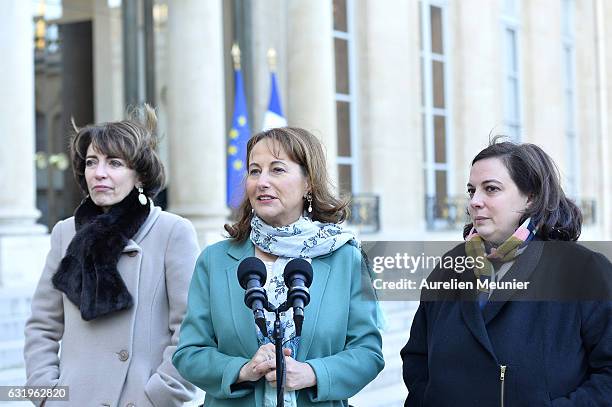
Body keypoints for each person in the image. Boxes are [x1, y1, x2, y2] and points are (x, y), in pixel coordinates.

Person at [173, 127, 384, 406]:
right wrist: (243, 370)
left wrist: (311, 373)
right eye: (254, 171)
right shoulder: (215, 260)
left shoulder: (346, 258)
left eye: (277, 170)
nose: (262, 182)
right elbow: (189, 352)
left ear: (308, 182)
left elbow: (368, 352)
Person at [401, 138, 612, 406]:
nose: (475, 201)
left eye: (491, 189)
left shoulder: (584, 271)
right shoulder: (449, 267)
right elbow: (417, 358)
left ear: (530, 197)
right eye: (471, 191)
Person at [24, 105, 198, 406]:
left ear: (140, 176)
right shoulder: (66, 232)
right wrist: (46, 396)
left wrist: (159, 395)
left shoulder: (172, 232)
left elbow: (191, 329)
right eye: (92, 162)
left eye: (114, 163)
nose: (99, 173)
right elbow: (42, 325)